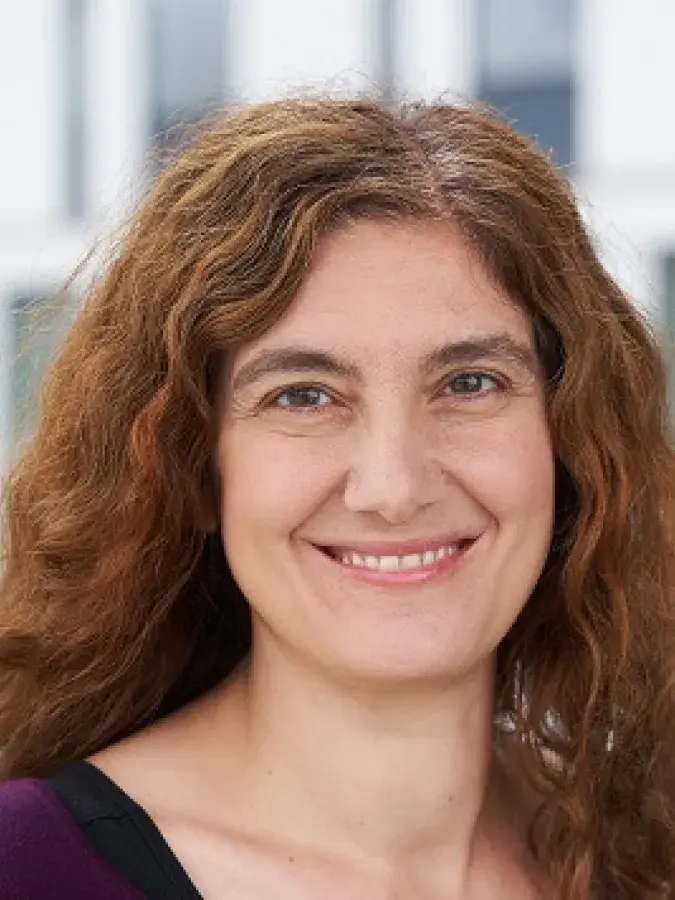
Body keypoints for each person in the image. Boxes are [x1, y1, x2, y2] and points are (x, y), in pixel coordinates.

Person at [0, 96, 673, 900]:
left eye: (469, 383)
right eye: (302, 396)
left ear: (570, 444)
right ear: (193, 465)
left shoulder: (645, 855)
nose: (393, 489)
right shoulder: (25, 867)